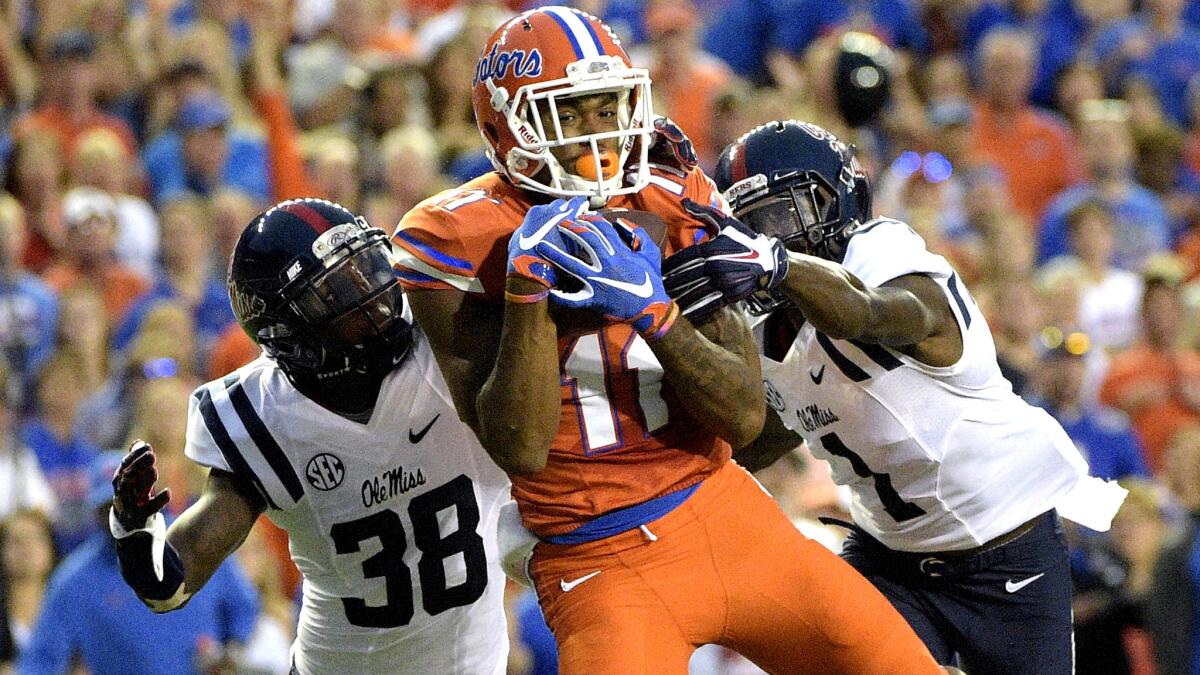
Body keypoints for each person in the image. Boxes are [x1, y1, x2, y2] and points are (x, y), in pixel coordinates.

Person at [393, 8, 944, 674]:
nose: (604, 135)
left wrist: (654, 310)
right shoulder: (451, 238)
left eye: (609, 108)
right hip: (596, 558)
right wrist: (527, 292)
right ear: (509, 127)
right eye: (574, 114)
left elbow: (742, 418)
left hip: (721, 508)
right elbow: (520, 444)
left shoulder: (671, 192)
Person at [663, 119, 1128, 674]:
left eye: (781, 216)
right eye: (750, 226)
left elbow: (869, 311)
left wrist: (778, 267)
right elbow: (747, 441)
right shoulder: (766, 333)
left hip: (1007, 548)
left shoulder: (883, 253)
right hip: (891, 559)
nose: (768, 235)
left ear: (834, 200)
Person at [107, 199, 513, 674]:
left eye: (365, 265)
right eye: (337, 289)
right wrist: (134, 536)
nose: (373, 294)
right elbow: (169, 582)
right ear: (287, 332)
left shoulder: (443, 340)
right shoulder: (265, 415)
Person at [18, 451, 259, 675]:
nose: (123, 515)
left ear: (151, 500)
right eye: (110, 508)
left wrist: (232, 651)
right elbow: (42, 660)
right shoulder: (75, 580)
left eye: (130, 502)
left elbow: (243, 606)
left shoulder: (193, 540)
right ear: (95, 513)